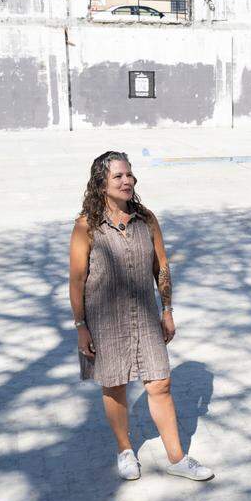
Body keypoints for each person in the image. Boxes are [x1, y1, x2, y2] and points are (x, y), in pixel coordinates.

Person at [69, 151, 214, 482]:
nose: (127, 181)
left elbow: (161, 267)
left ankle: (177, 458)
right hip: (105, 320)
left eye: (129, 174)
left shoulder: (146, 219)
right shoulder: (86, 227)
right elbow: (76, 280)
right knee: (115, 385)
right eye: (118, 176)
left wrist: (167, 310)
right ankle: (125, 450)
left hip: (146, 317)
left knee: (161, 382)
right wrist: (80, 326)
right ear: (101, 184)